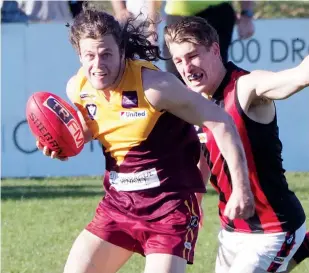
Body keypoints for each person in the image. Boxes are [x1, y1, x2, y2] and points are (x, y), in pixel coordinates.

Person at [36, 6, 255, 273]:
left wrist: (241, 189)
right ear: (79, 55)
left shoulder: (155, 87)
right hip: (118, 206)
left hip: (169, 209)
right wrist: (61, 145)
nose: (98, 65)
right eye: (90, 55)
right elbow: (90, 131)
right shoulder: (78, 88)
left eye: (106, 54)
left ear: (122, 51)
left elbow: (221, 121)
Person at [164, 16, 308, 273]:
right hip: (231, 231)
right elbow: (202, 162)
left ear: (215, 50)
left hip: (274, 229)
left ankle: (297, 245)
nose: (186, 68)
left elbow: (296, 77)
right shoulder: (195, 102)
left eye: (193, 56)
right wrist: (193, 208)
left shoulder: (246, 87)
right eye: (178, 60)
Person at [162, 0, 255, 78]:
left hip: (216, 13)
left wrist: (246, 15)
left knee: (214, 76)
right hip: (177, 14)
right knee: (175, 76)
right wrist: (151, 27)